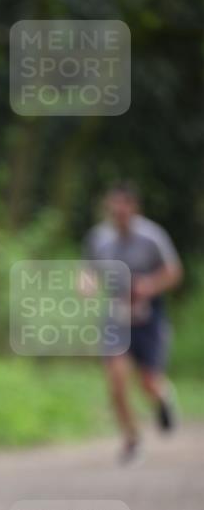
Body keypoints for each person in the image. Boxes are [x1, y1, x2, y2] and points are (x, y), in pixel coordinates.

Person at [83, 181, 182, 463]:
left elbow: (173, 272)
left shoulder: (153, 237)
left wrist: (148, 286)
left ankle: (163, 398)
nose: (118, 212)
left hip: (149, 315)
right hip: (117, 314)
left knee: (148, 380)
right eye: (113, 207)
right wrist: (87, 286)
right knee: (116, 379)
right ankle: (131, 439)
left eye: (124, 206)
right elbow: (87, 270)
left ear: (133, 208)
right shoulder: (98, 238)